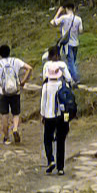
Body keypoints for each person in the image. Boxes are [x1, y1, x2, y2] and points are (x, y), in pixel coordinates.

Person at [0, 43, 31, 144]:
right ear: (9, 52)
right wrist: (23, 81)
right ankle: (15, 128)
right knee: (16, 113)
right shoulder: (15, 61)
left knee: (4, 114)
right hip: (15, 90)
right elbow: (29, 68)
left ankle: (6, 137)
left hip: (3, 92)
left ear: (0, 54)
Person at [40, 44, 72, 174]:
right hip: (62, 115)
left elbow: (43, 102)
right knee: (61, 140)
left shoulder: (46, 86)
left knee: (47, 138)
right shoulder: (63, 85)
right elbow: (70, 79)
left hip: (49, 116)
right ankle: (60, 168)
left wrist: (42, 114)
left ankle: (50, 160)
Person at [51, 3, 82, 84]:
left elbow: (53, 23)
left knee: (70, 61)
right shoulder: (78, 19)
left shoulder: (63, 18)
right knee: (74, 61)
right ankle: (71, 76)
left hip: (67, 44)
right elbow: (81, 30)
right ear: (73, 9)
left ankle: (75, 79)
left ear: (66, 9)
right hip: (76, 42)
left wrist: (58, 12)